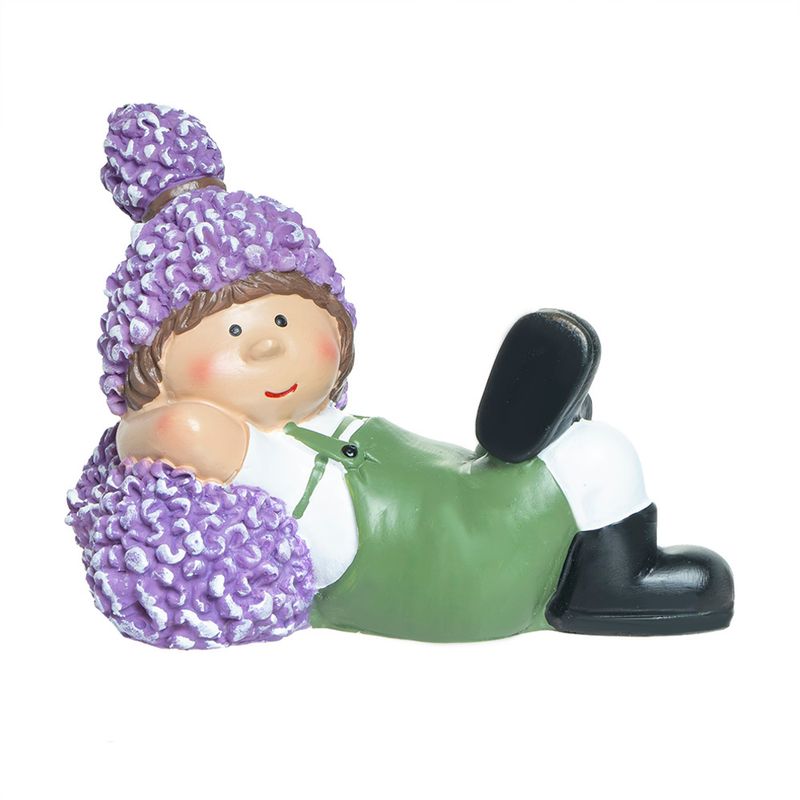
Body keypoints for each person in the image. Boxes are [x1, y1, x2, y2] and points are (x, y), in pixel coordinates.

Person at [66, 103, 733, 649]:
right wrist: (145, 417)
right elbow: (169, 430)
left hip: (452, 504)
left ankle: (557, 495)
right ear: (154, 370)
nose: (270, 346)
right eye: (233, 333)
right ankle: (599, 566)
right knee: (595, 452)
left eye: (288, 319)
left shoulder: (313, 423)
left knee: (579, 452)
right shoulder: (242, 453)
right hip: (456, 569)